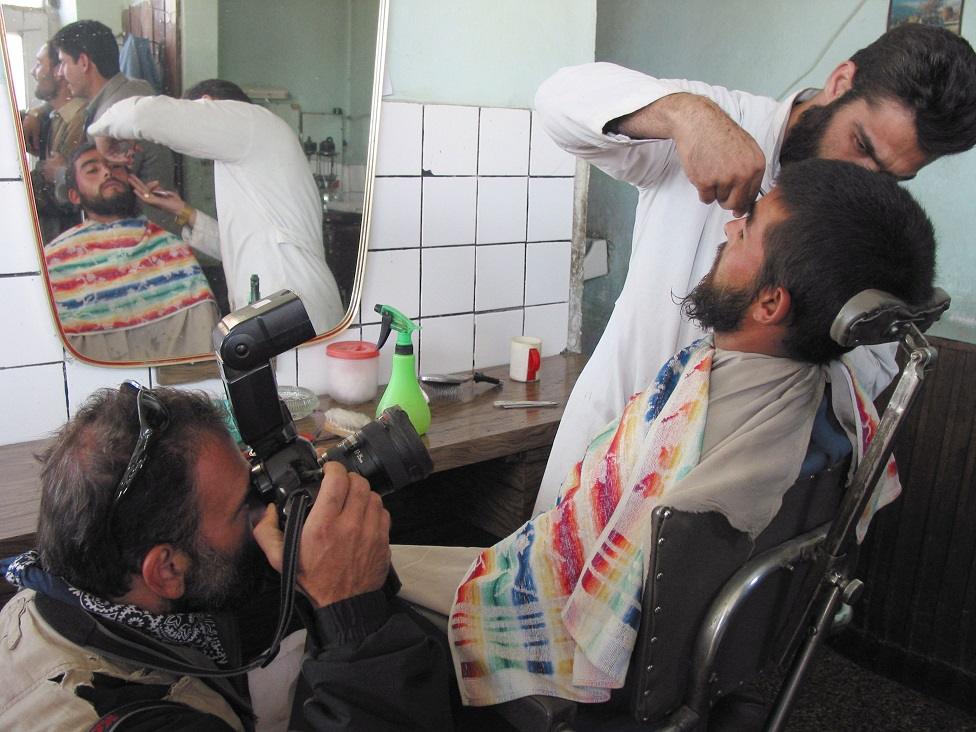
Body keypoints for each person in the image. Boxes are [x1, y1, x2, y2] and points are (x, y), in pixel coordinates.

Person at [391, 159, 937, 706]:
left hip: (593, 639)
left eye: (745, 231)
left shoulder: (696, 437)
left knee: (364, 567)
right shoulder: (838, 411)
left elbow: (620, 582)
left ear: (770, 303)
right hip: (712, 657)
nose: (728, 229)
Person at [533, 23, 976, 512]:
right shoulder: (719, 117)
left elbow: (867, 371)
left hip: (722, 495)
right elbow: (557, 101)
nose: (860, 179)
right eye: (862, 146)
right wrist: (686, 115)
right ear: (841, 82)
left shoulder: (868, 223)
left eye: (893, 176)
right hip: (603, 447)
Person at [0, 384, 454, 729]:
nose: (266, 512)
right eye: (245, 507)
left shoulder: (54, 600)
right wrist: (352, 615)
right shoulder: (126, 717)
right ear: (167, 569)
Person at [88, 78, 345, 334]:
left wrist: (101, 132)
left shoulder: (250, 122)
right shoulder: (251, 148)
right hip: (291, 305)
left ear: (207, 105)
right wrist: (182, 211)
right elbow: (243, 246)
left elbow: (141, 114)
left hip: (294, 304)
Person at [44, 143, 220, 361]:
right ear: (74, 196)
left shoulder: (169, 248)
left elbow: (200, 336)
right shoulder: (54, 260)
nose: (107, 172)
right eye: (92, 170)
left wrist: (178, 208)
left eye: (115, 167)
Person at [51, 19, 176, 232]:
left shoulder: (117, 112)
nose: (59, 73)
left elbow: (111, 183)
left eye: (63, 62)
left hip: (142, 240)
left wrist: (60, 174)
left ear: (83, 62)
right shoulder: (132, 89)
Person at [21, 42, 87, 243]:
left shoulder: (80, 121)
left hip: (68, 240)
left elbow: (66, 194)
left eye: (40, 64)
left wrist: (19, 188)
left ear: (59, 70)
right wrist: (33, 112)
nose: (34, 72)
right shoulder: (54, 116)